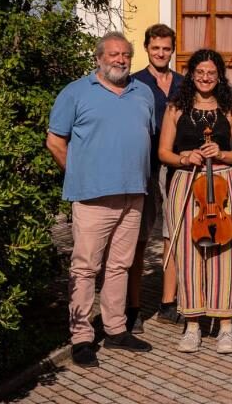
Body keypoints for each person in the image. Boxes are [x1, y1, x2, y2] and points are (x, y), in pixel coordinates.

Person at [46, 32, 155, 367]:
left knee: (120, 265)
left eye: (125, 54)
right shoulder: (77, 92)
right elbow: (54, 141)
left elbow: (143, 137)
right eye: (113, 54)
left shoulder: (143, 92)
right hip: (92, 197)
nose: (120, 60)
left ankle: (116, 328)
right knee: (85, 267)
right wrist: (80, 174)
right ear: (98, 58)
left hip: (132, 193)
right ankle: (81, 337)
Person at [156, 49, 232, 354]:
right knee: (187, 253)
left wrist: (220, 153)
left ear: (219, 76)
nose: (206, 78)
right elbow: (164, 153)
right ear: (192, 75)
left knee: (225, 250)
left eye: (211, 73)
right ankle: (193, 323)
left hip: (223, 184)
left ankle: (224, 326)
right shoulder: (175, 108)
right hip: (186, 181)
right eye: (200, 73)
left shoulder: (231, 109)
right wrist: (185, 156)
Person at [127, 24, 185, 332]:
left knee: (171, 237)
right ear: (147, 48)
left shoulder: (182, 84)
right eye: (156, 48)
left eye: (166, 48)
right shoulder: (133, 83)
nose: (161, 53)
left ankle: (168, 303)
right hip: (143, 169)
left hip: (175, 169)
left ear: (172, 50)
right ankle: (132, 308)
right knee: (138, 240)